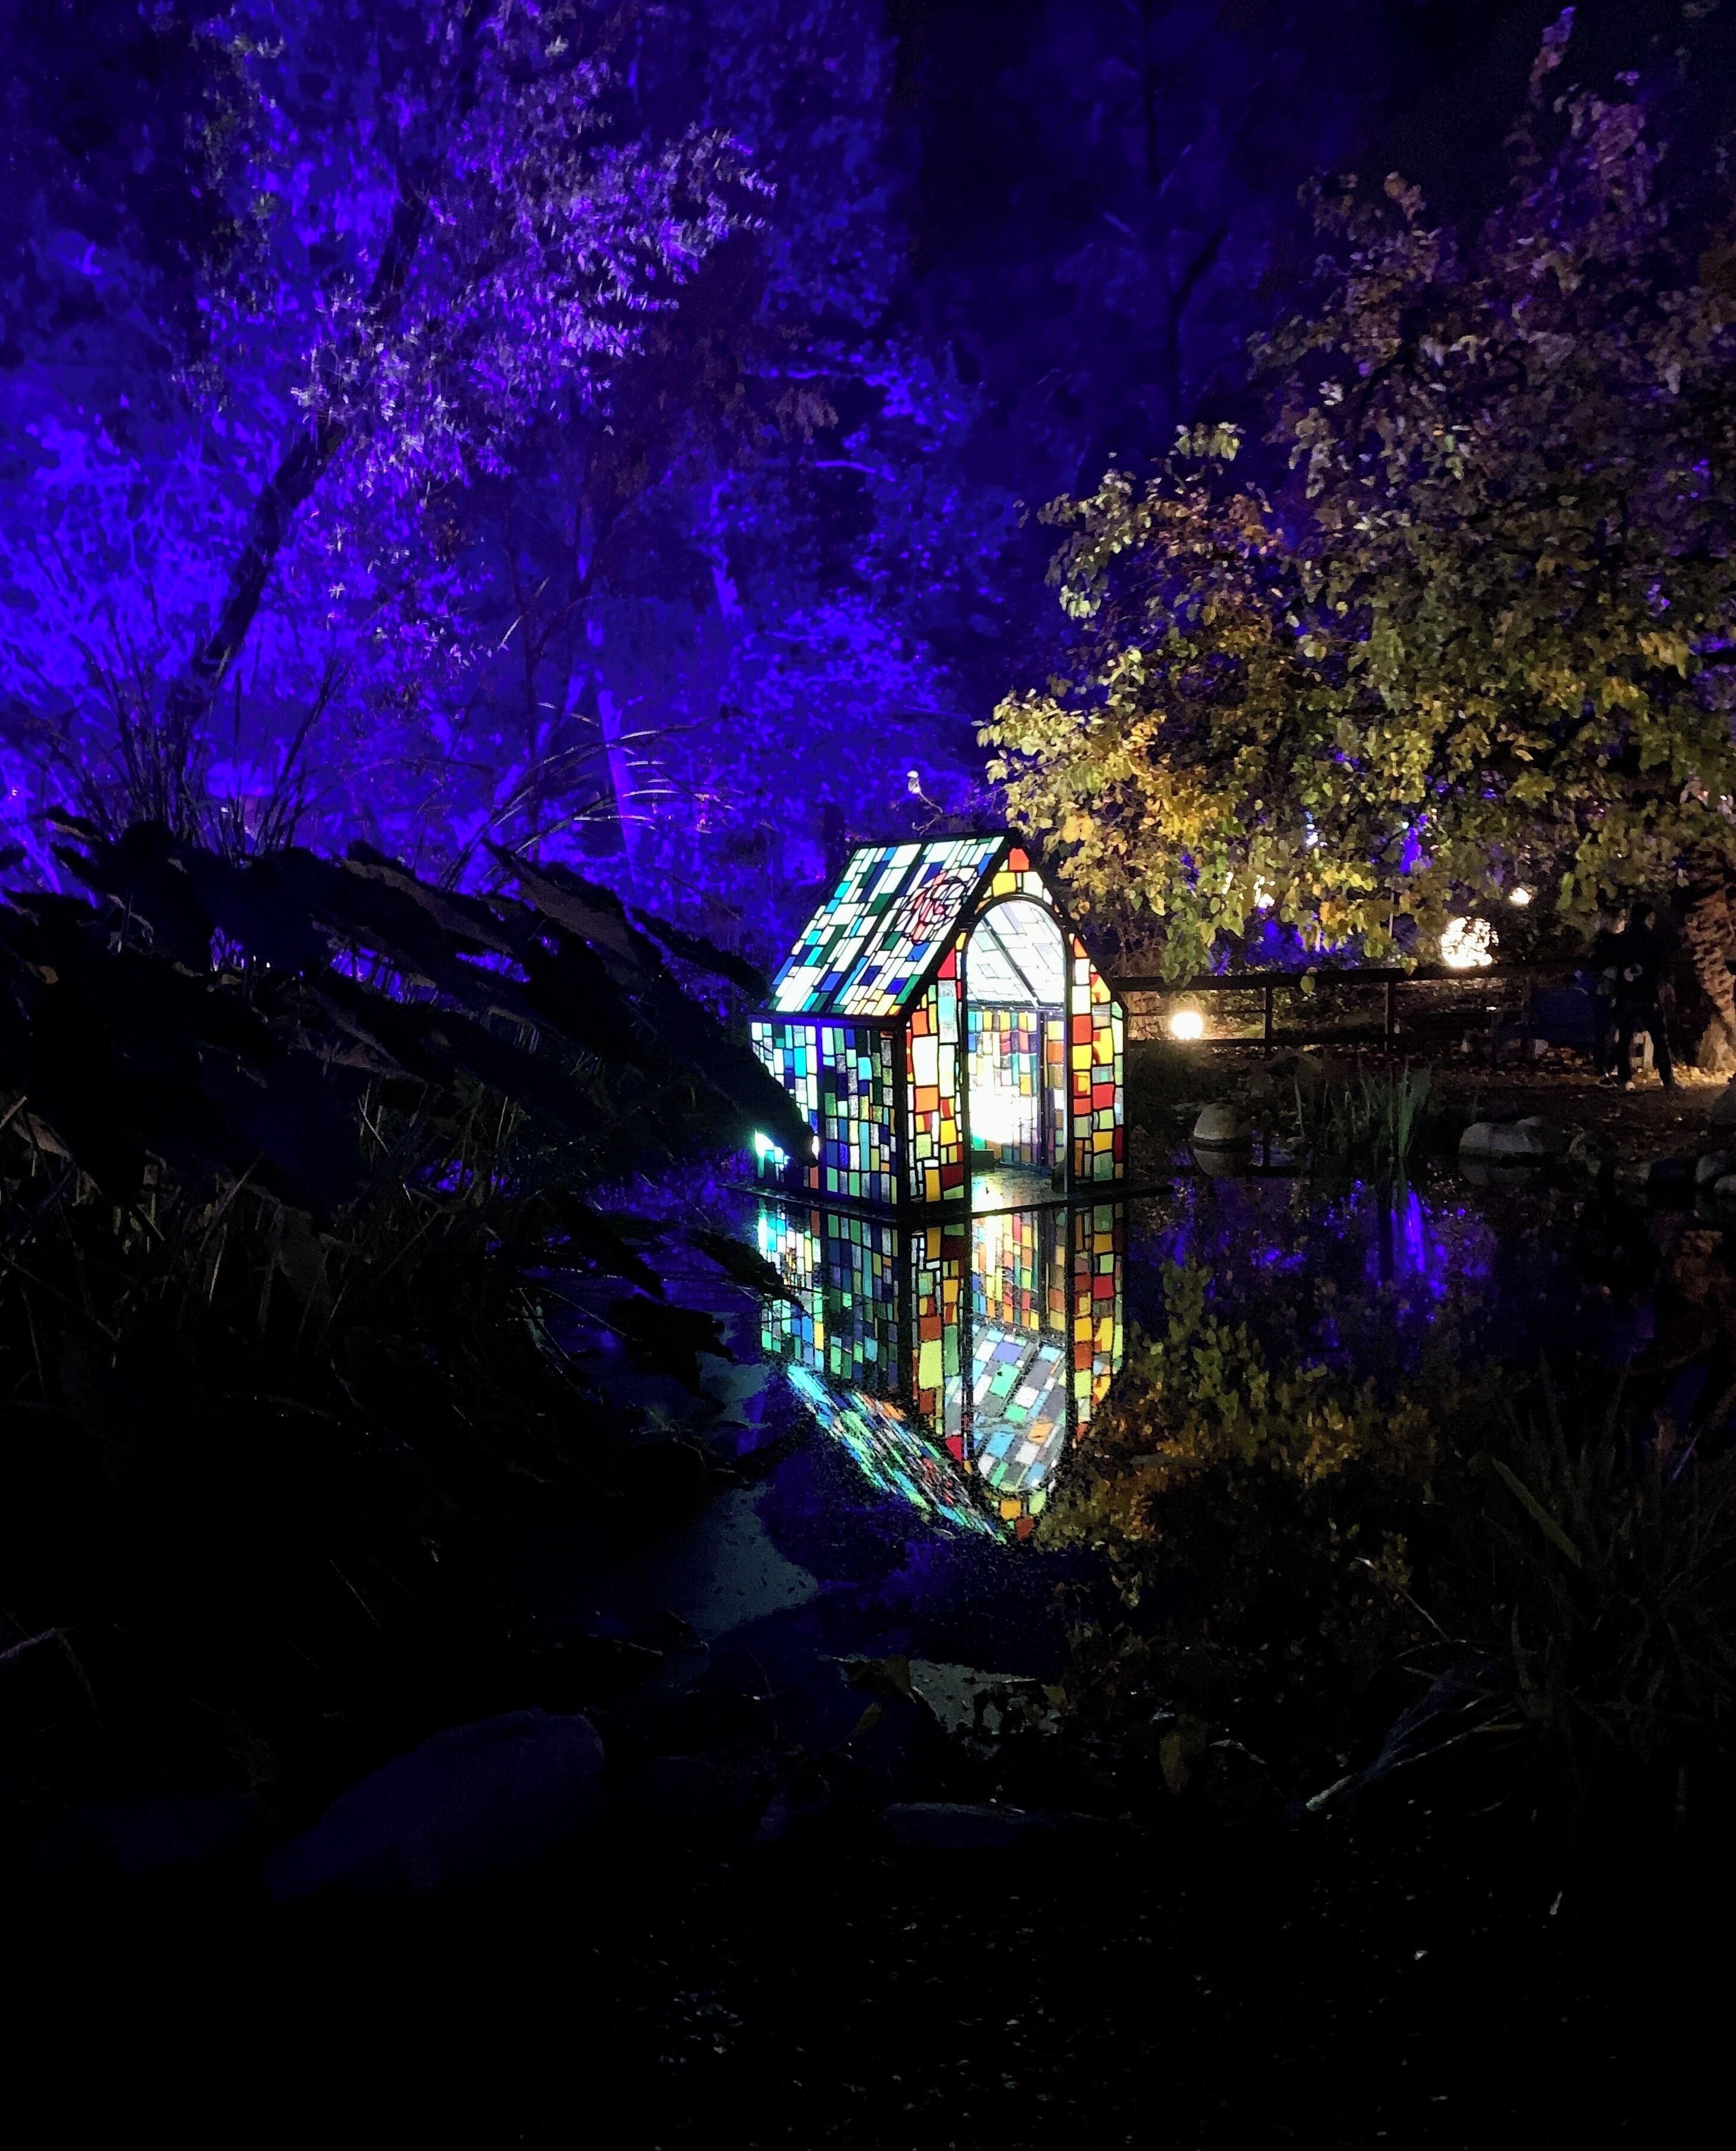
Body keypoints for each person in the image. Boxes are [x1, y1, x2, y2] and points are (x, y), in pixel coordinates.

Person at [1613, 901, 1675, 1089]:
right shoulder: (1653, 940)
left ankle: (1625, 1077)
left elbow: (1614, 966)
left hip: (1626, 995)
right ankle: (1667, 1078)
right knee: (1659, 1037)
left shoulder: (1622, 940)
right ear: (1648, 918)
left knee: (1624, 1038)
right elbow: (1662, 966)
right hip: (1647, 995)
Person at [1586, 910, 1624, 1083]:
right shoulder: (1607, 943)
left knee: (1608, 1032)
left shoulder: (1602, 943)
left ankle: (1606, 1068)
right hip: (1607, 991)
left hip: (1608, 992)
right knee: (1607, 1032)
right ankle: (1605, 1068)